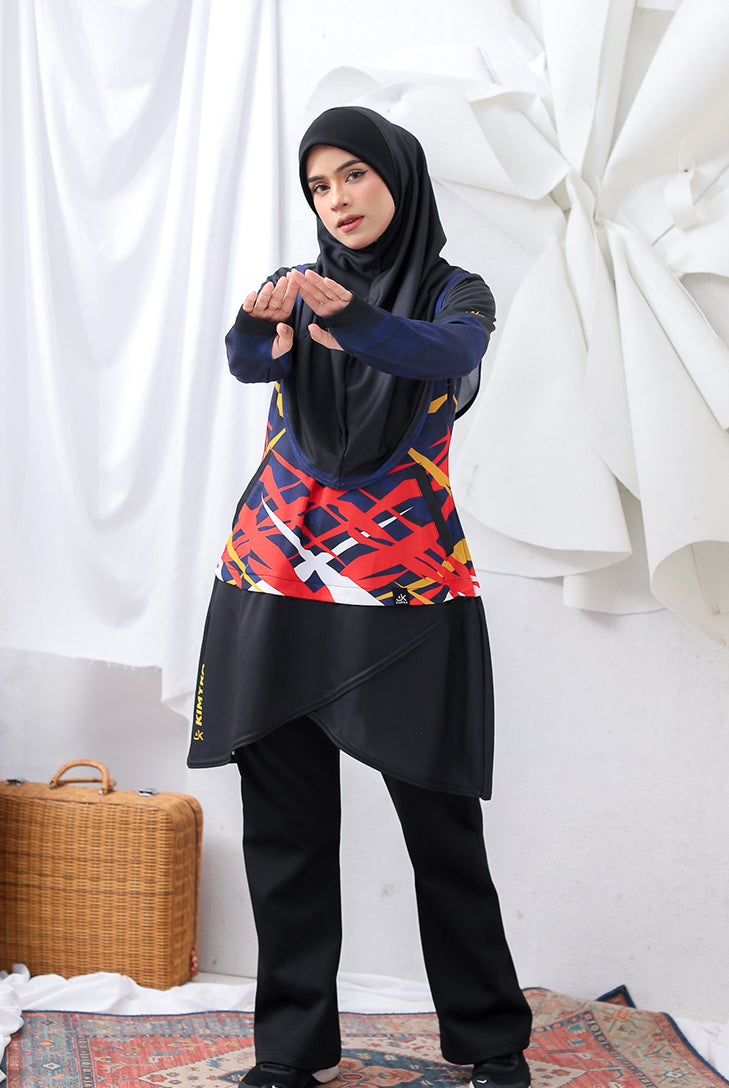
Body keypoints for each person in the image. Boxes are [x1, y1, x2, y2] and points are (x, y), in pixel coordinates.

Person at [187, 106, 532, 1088]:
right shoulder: (300, 288)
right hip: (274, 576)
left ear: (397, 176)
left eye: (352, 175)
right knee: (283, 832)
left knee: (442, 833)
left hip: (406, 593)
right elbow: (250, 364)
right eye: (317, 185)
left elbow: (445, 355)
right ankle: (289, 1050)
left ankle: (490, 1039)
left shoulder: (458, 293)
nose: (335, 199)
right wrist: (253, 326)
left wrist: (350, 321)